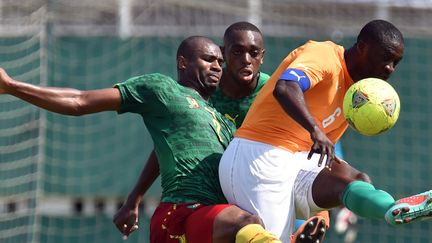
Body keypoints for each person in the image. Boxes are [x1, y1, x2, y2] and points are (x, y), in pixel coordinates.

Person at [0, 36, 282, 243]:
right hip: (181, 215)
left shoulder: (219, 118)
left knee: (251, 223)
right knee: (246, 222)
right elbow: (79, 100)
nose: (217, 66)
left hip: (211, 222)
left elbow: (163, 148)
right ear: (182, 62)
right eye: (209, 59)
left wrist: (133, 199)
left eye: (220, 62)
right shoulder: (163, 89)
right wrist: (13, 87)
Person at [219, 19, 432, 243]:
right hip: (258, 157)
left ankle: (391, 208)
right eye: (385, 58)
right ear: (362, 47)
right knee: (271, 240)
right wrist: (315, 130)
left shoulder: (359, 93)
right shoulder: (324, 55)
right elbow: (285, 88)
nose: (390, 68)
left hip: (297, 160)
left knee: (353, 179)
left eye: (395, 62)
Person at [113, 21, 326, 242]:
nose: (246, 60)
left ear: (262, 57)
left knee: (256, 227)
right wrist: (134, 198)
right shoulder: (204, 90)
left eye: (253, 53)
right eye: (237, 52)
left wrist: (317, 212)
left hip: (254, 183)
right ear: (224, 54)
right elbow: (172, 139)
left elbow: (300, 149)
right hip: (203, 196)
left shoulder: (273, 94)